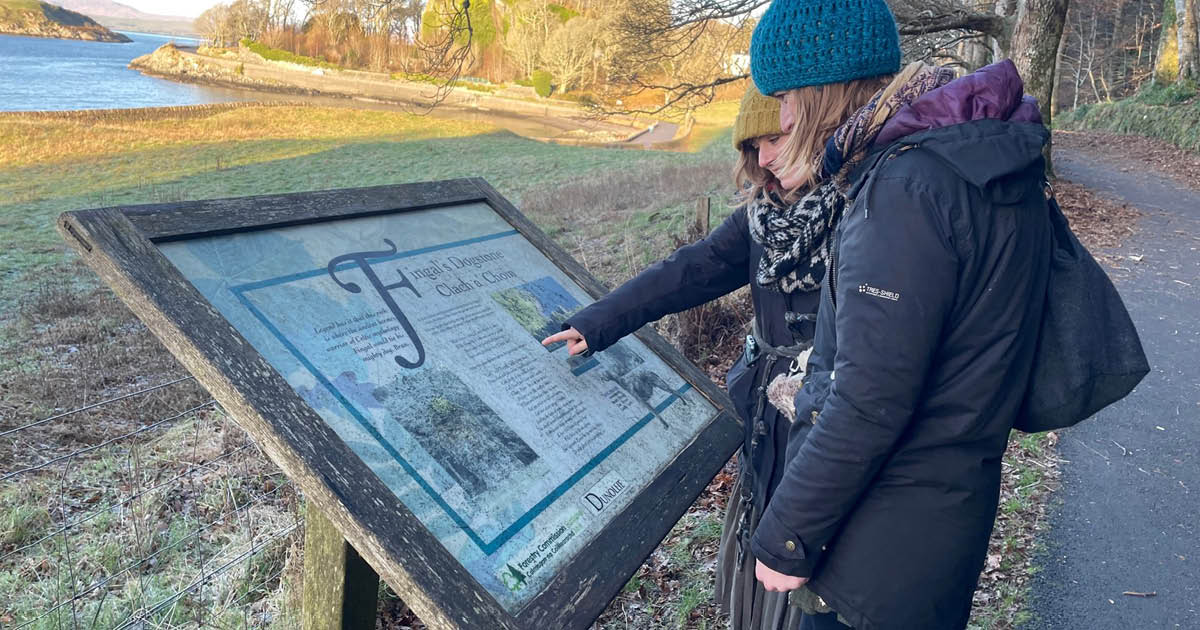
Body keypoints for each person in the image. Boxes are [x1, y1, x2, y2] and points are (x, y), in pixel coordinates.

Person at [745, 2, 1053, 629]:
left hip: (878, 544)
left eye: (783, 99)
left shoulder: (905, 187)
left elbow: (869, 398)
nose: (779, 119)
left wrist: (787, 535)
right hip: (942, 519)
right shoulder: (978, 162)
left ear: (820, 91)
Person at [542, 85, 839, 630]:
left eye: (776, 136)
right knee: (762, 571)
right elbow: (686, 271)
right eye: (755, 146)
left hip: (830, 429)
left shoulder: (863, 213)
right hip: (766, 426)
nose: (765, 157)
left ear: (817, 125)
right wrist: (596, 322)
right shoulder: (760, 220)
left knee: (818, 565)